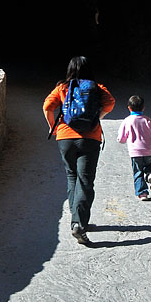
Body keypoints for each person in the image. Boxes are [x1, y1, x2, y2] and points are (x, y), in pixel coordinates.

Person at [43, 56, 115, 245]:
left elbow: (47, 107)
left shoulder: (62, 88)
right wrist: (97, 117)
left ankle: (77, 220)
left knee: (72, 177)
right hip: (89, 139)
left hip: (65, 138)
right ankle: (79, 223)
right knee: (85, 181)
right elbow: (110, 103)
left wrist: (54, 127)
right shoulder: (97, 88)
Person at [117, 94, 151, 200]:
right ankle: (150, 175)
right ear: (143, 107)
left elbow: (122, 138)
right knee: (148, 165)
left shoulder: (127, 121)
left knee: (138, 172)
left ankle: (142, 193)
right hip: (148, 150)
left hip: (135, 152)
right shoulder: (147, 120)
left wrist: (121, 140)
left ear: (129, 108)